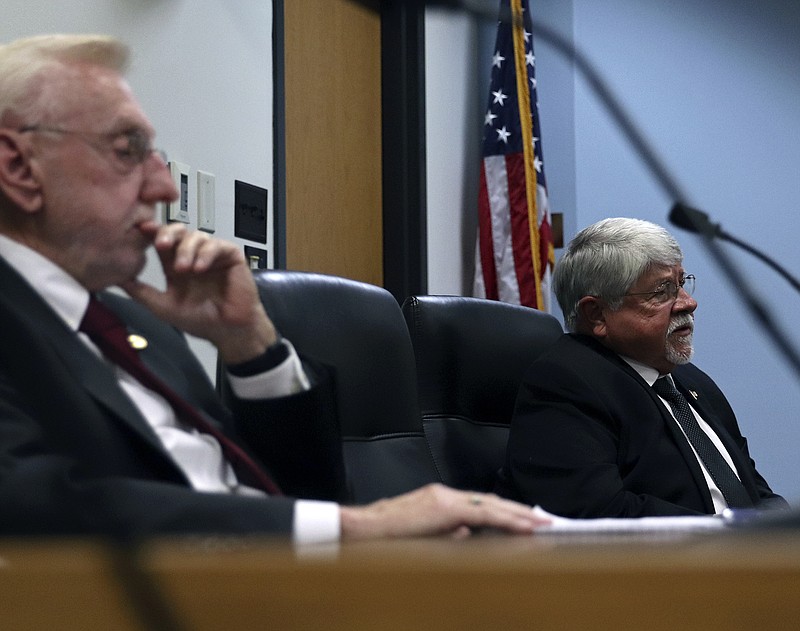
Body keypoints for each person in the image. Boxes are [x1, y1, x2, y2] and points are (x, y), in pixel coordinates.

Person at [0, 33, 545, 543]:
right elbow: (33, 506)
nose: (164, 185)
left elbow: (302, 495)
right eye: (126, 149)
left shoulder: (139, 330)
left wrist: (251, 344)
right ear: (20, 167)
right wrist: (354, 527)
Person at [496, 217, 789, 518]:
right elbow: (596, 513)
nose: (688, 303)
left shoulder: (692, 382)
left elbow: (755, 490)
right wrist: (731, 537)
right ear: (596, 314)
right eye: (661, 291)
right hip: (676, 562)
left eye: (681, 283)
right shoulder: (565, 383)